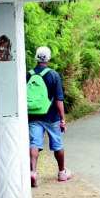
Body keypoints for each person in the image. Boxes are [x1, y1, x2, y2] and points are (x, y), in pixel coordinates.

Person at [27, 46, 71, 187]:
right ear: (49, 58)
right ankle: (62, 172)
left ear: (36, 57)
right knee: (57, 144)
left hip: (33, 115)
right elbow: (59, 100)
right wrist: (63, 119)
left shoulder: (28, 74)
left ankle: (33, 172)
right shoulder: (53, 75)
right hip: (52, 117)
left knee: (34, 143)